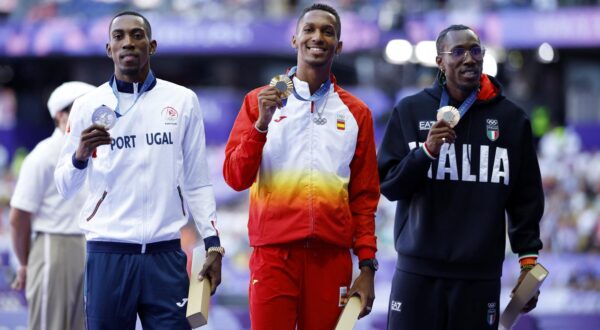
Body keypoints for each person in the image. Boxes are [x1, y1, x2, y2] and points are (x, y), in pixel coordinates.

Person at [54, 11, 223, 330]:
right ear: (109, 49)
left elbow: (198, 181)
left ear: (152, 45)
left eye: (137, 35)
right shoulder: (88, 105)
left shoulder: (183, 100)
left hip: (166, 255)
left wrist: (213, 242)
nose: (128, 42)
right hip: (108, 254)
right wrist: (80, 155)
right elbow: (64, 186)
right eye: (119, 37)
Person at [223, 3, 380, 329]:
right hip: (274, 256)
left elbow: (364, 199)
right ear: (295, 39)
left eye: (328, 31)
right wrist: (261, 127)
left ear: (339, 45)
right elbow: (235, 178)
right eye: (309, 29)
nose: (317, 37)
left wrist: (367, 267)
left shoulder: (357, 113)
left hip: (331, 260)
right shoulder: (258, 101)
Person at [377, 24, 544, 330]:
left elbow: (525, 199)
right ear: (439, 60)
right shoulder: (410, 111)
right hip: (418, 273)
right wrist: (426, 152)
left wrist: (528, 262)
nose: (469, 58)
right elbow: (389, 185)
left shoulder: (512, 120)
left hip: (479, 276)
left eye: (475, 50)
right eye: (458, 52)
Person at [9, 81, 95, 330]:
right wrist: (25, 263)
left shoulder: (96, 152)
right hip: (55, 245)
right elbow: (19, 216)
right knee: (50, 325)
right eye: (79, 110)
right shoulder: (43, 155)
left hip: (91, 246)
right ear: (60, 115)